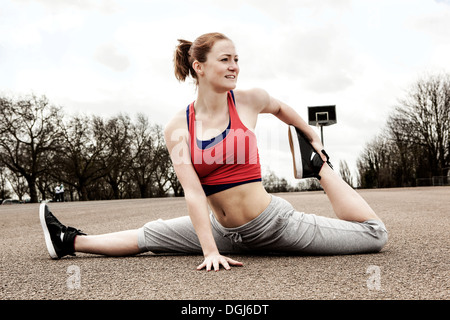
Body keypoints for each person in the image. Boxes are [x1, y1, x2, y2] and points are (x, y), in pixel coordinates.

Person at [40, 32, 388, 271]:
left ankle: (321, 169)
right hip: (221, 231)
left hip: (274, 224)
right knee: (150, 235)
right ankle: (68, 240)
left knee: (375, 235)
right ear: (200, 67)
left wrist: (310, 134)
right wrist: (210, 250)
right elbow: (193, 192)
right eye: (225, 59)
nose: (234, 65)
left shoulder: (249, 100)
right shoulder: (178, 127)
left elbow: (280, 107)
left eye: (237, 59)